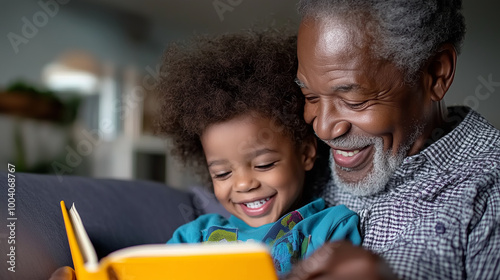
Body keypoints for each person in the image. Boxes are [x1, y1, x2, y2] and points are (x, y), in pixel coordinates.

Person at [49, 29, 361, 279]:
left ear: (306, 153)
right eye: (222, 173)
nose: (242, 184)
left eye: (264, 164)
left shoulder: (330, 227)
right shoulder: (195, 236)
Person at [285, 0, 500, 280]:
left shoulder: (489, 191)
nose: (325, 129)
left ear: (436, 73)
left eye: (354, 100)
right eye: (310, 97)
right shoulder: (300, 166)